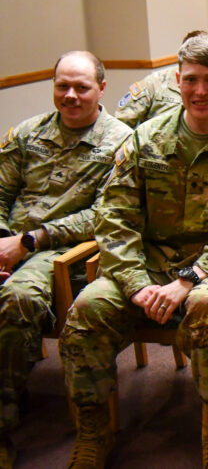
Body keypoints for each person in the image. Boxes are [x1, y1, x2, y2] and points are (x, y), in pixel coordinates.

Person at [59, 34, 208, 468]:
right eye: (192, 80)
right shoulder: (146, 140)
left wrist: (189, 279)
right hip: (145, 268)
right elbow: (114, 217)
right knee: (87, 307)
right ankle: (92, 429)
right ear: (177, 81)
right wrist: (137, 283)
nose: (201, 91)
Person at [0, 52, 131, 464]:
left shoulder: (121, 141)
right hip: (10, 241)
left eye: (81, 87)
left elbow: (104, 215)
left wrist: (29, 240)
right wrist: (3, 239)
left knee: (17, 299)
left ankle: (2, 423)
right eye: (62, 86)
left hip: (63, 253)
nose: (70, 95)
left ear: (101, 89)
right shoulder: (27, 133)